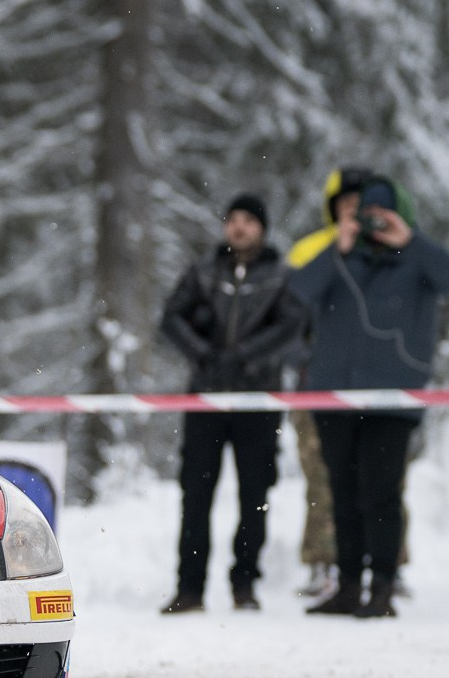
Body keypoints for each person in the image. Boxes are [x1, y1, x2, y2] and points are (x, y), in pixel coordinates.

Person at [288, 174, 449, 618]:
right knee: (342, 491)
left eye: (383, 215)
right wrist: (338, 246)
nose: (374, 225)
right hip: (334, 395)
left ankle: (382, 584)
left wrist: (411, 240)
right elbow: (297, 293)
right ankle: (348, 585)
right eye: (367, 216)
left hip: (394, 399)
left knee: (380, 491)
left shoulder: (418, 261)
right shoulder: (338, 259)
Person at [156, 194, 308, 614]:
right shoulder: (203, 272)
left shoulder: (280, 276)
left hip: (257, 399)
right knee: (196, 493)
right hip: (205, 399)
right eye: (233, 219)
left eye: (248, 220)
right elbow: (171, 319)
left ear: (262, 227)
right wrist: (204, 354)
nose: (239, 227)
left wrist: (245, 358)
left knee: (255, 494)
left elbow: (293, 325)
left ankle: (245, 584)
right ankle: (190, 588)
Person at [285, 167, 373, 599]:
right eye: (345, 204)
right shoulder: (309, 251)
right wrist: (306, 361)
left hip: (375, 383)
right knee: (321, 476)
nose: (352, 212)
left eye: (360, 203)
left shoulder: (388, 249)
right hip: (316, 384)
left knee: (381, 475)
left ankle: (387, 562)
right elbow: (288, 314)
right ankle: (322, 563)